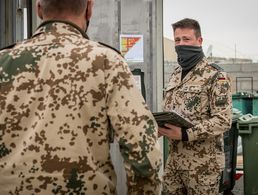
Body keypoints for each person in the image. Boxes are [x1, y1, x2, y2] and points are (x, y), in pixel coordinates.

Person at [0, 0, 162, 194]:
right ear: (89, 9)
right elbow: (142, 149)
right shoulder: (106, 61)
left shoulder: (3, 61)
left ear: (39, 10)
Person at [158, 18, 232, 195]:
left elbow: (223, 120)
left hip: (203, 166)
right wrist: (161, 127)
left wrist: (185, 134)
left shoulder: (216, 75)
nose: (181, 44)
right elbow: (172, 110)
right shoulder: (176, 74)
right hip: (174, 162)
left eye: (186, 39)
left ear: (199, 41)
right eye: (177, 40)